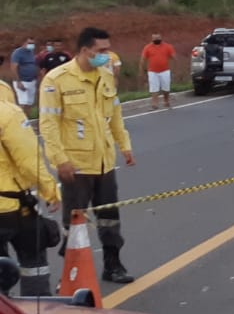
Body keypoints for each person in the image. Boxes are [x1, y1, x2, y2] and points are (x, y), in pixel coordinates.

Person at [38, 27, 136, 283]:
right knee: (75, 224)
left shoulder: (104, 76)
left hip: (104, 162)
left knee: (109, 219)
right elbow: (48, 125)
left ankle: (113, 266)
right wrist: (60, 160)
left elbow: (114, 114)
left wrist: (124, 145)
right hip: (76, 166)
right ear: (85, 50)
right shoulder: (56, 80)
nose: (107, 55)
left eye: (108, 50)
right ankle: (72, 275)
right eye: (101, 51)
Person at [0, 87, 60, 296]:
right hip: (12, 208)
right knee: (34, 265)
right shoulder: (8, 113)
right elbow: (29, 160)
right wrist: (50, 191)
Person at [140, 33, 178, 110]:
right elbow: (143, 59)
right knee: (154, 88)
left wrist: (175, 69)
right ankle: (154, 104)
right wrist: (141, 70)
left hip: (165, 70)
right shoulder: (147, 47)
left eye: (158, 38)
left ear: (161, 38)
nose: (156, 39)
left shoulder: (167, 46)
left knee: (166, 88)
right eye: (155, 38)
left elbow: (174, 58)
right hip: (152, 71)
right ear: (152, 39)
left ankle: (166, 101)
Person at [10, 38, 38, 118]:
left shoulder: (31, 52)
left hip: (31, 81)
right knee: (23, 102)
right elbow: (13, 67)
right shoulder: (17, 53)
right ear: (24, 42)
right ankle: (19, 121)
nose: (31, 45)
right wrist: (18, 81)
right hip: (22, 81)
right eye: (29, 43)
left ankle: (27, 120)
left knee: (29, 103)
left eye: (33, 43)